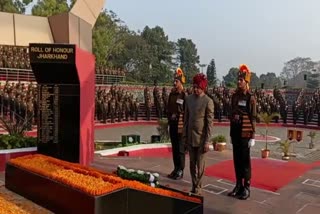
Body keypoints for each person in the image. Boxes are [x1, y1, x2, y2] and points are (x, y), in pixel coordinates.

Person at [228, 64, 256, 200]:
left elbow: (253, 117)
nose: (238, 82)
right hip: (235, 130)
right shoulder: (234, 96)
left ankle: (247, 187)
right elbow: (231, 111)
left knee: (245, 161)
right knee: (236, 160)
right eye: (238, 80)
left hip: (245, 132)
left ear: (246, 82)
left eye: (241, 80)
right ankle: (238, 185)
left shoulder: (250, 98)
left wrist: (253, 136)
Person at [183, 73, 214, 195]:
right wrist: (184, 136)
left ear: (203, 87)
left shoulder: (208, 101)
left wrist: (207, 141)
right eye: (194, 86)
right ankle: (194, 184)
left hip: (201, 138)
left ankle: (199, 187)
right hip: (190, 137)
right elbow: (186, 119)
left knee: (200, 165)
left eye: (198, 87)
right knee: (191, 164)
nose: (195, 89)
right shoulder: (188, 99)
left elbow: (209, 123)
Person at [167, 68, 187, 180]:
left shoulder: (184, 95)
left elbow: (186, 111)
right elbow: (168, 109)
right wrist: (170, 120)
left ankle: (181, 169)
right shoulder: (172, 94)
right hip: (173, 124)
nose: (174, 83)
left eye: (177, 81)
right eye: (174, 81)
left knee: (180, 148)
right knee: (174, 147)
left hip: (180, 125)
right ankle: (175, 168)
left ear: (181, 82)